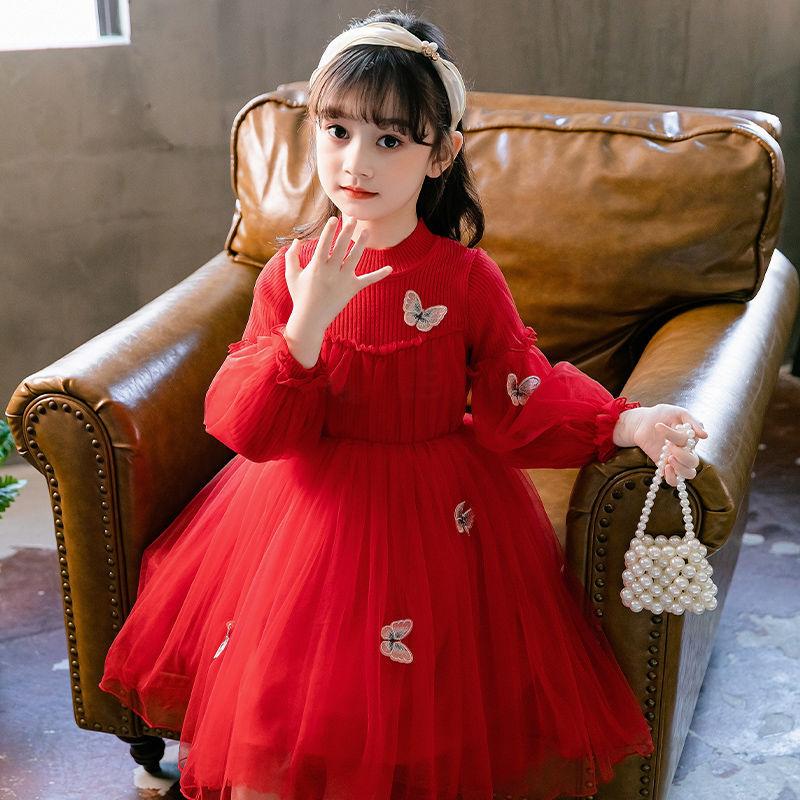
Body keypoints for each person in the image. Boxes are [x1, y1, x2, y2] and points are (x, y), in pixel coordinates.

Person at [98, 10, 709, 800]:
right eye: (338, 130)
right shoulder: (290, 272)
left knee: (418, 715)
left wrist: (624, 420)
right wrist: (308, 322)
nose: (356, 161)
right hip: (303, 511)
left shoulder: (465, 278)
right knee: (285, 714)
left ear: (440, 154)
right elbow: (249, 427)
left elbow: (517, 393)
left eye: (390, 140)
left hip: (437, 512)